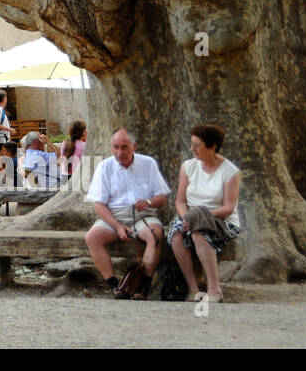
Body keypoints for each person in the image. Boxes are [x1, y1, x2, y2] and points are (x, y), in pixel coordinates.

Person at [84, 127, 171, 299]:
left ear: (134, 146)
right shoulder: (105, 167)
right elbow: (99, 205)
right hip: (113, 215)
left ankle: (142, 287)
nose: (119, 152)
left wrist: (148, 202)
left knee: (155, 235)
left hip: (142, 215)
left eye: (124, 147)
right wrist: (117, 226)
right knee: (92, 237)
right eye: (115, 147)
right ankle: (114, 286)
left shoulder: (148, 163)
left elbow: (162, 197)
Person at [166, 124, 242, 304]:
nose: (192, 149)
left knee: (199, 232)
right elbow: (180, 201)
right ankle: (193, 289)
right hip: (190, 215)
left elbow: (228, 208)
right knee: (176, 235)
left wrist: (198, 217)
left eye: (197, 145)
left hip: (221, 219)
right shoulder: (188, 166)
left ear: (212, 147)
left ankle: (214, 289)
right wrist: (187, 217)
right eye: (191, 144)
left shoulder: (230, 172)